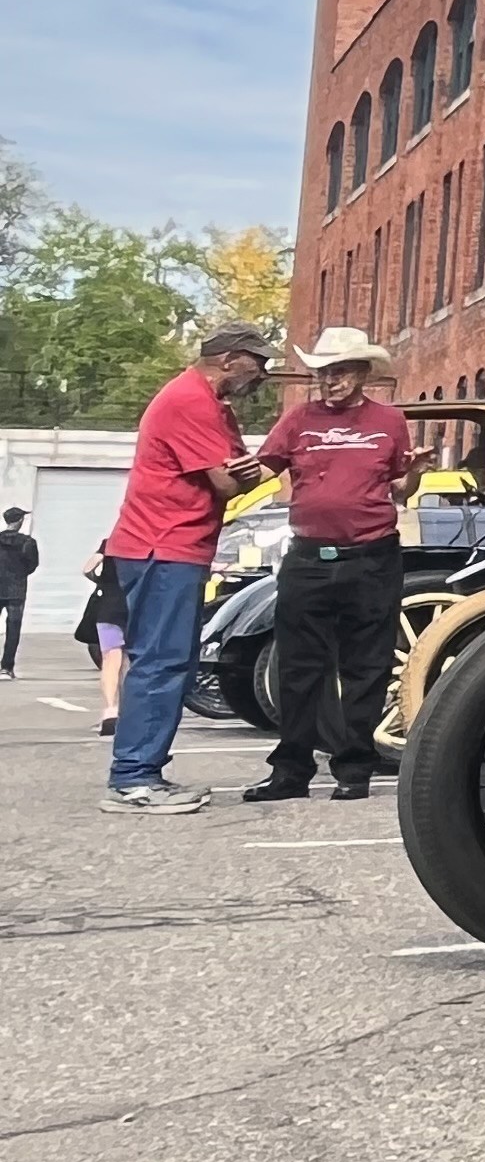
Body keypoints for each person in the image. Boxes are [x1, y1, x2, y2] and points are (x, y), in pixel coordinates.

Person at [99, 324, 277, 814]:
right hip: (164, 548)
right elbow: (226, 482)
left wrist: (251, 467)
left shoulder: (211, 405)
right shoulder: (191, 402)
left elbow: (237, 467)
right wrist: (280, 459)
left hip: (169, 547)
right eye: (256, 362)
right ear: (228, 358)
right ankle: (134, 778)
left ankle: (141, 771)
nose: (263, 373)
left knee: (165, 659)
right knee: (161, 661)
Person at [245, 328, 413, 803]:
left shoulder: (390, 421)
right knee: (299, 667)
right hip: (308, 558)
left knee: (367, 665)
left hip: (373, 556)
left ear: (361, 373)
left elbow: (402, 489)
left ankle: (354, 769)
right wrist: (231, 474)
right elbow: (264, 468)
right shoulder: (298, 419)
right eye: (322, 372)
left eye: (339, 371)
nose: (329, 380)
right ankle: (291, 772)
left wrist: (414, 471)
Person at [73, 555, 124, 733]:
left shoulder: (109, 544)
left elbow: (87, 569)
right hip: (135, 608)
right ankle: (130, 713)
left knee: (110, 661)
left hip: (108, 609)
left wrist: (101, 580)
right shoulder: (144, 543)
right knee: (132, 662)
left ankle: (110, 711)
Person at [0, 502, 35, 676]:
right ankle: (7, 667)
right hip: (16, 590)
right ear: (20, 520)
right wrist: (19, 574)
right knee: (13, 629)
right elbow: (32, 565)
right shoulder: (27, 542)